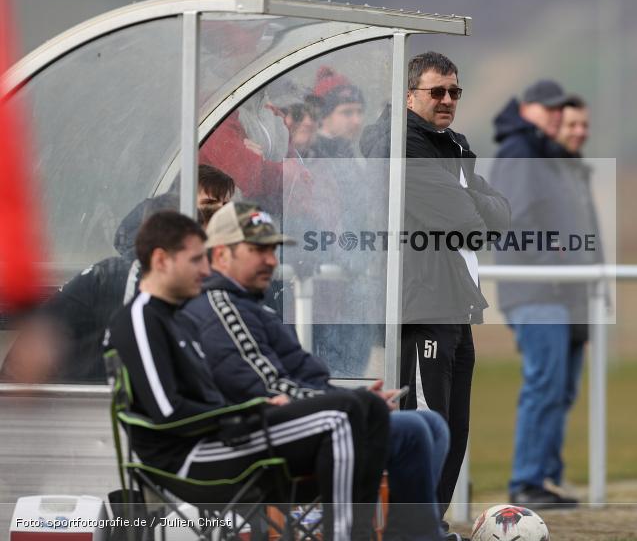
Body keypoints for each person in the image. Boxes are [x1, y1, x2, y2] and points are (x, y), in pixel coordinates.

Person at [104, 210, 387, 541]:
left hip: (224, 439)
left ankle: (365, 532)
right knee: (342, 415)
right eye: (196, 260)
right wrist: (250, 411)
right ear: (162, 260)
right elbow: (169, 413)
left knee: (372, 408)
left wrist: (254, 409)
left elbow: (204, 399)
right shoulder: (139, 318)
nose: (206, 269)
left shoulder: (176, 318)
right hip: (190, 459)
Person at [180, 201, 450, 541]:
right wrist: (353, 404)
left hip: (297, 427)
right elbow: (266, 386)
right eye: (257, 249)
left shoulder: (251, 308)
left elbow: (309, 374)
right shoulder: (220, 308)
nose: (272, 260)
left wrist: (356, 399)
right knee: (413, 429)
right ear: (220, 254)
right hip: (258, 441)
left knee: (432, 425)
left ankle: (416, 534)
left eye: (273, 250)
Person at [400, 51, 510, 529]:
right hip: (423, 305)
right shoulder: (404, 142)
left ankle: (431, 524)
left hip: (459, 305)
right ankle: (415, 528)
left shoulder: (455, 144)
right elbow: (467, 221)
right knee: (429, 427)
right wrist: (472, 201)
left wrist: (470, 199)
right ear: (410, 95)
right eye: (436, 92)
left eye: (454, 92)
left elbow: (500, 216)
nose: (447, 100)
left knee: (455, 431)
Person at [0, 165, 235, 382]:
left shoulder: (205, 278)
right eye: (210, 206)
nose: (222, 219)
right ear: (175, 211)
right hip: (76, 406)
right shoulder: (124, 278)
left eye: (227, 208)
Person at [491, 85, 601, 507]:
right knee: (544, 385)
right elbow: (512, 220)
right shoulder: (521, 152)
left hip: (563, 293)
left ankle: (546, 478)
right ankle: (527, 481)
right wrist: (554, 258)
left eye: (561, 109)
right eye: (549, 109)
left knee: (559, 389)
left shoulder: (549, 155)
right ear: (526, 109)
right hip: (537, 290)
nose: (557, 116)